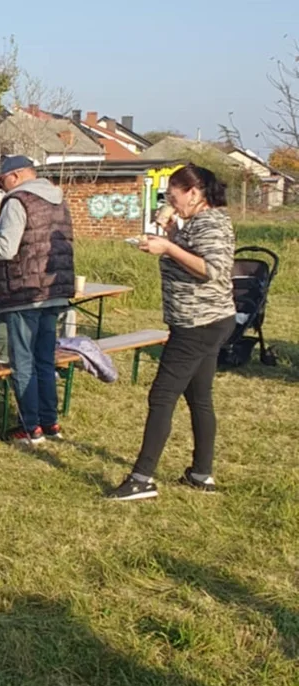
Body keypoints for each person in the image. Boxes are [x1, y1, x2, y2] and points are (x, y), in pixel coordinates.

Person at [106, 165, 236, 501]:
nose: (169, 201)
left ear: (194, 193)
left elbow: (211, 269)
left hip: (198, 324)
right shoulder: (195, 223)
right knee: (199, 397)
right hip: (201, 320)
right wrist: (173, 234)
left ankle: (141, 479)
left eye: (172, 195)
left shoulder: (211, 222)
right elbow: (191, 255)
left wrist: (168, 247)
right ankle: (200, 474)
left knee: (162, 396)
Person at [0, 155, 75, 445]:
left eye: (2, 183)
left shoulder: (17, 201)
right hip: (54, 291)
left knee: (23, 361)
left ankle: (29, 427)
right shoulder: (58, 200)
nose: (1, 190)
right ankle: (49, 422)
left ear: (14, 176)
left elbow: (5, 249)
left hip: (23, 291)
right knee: (44, 359)